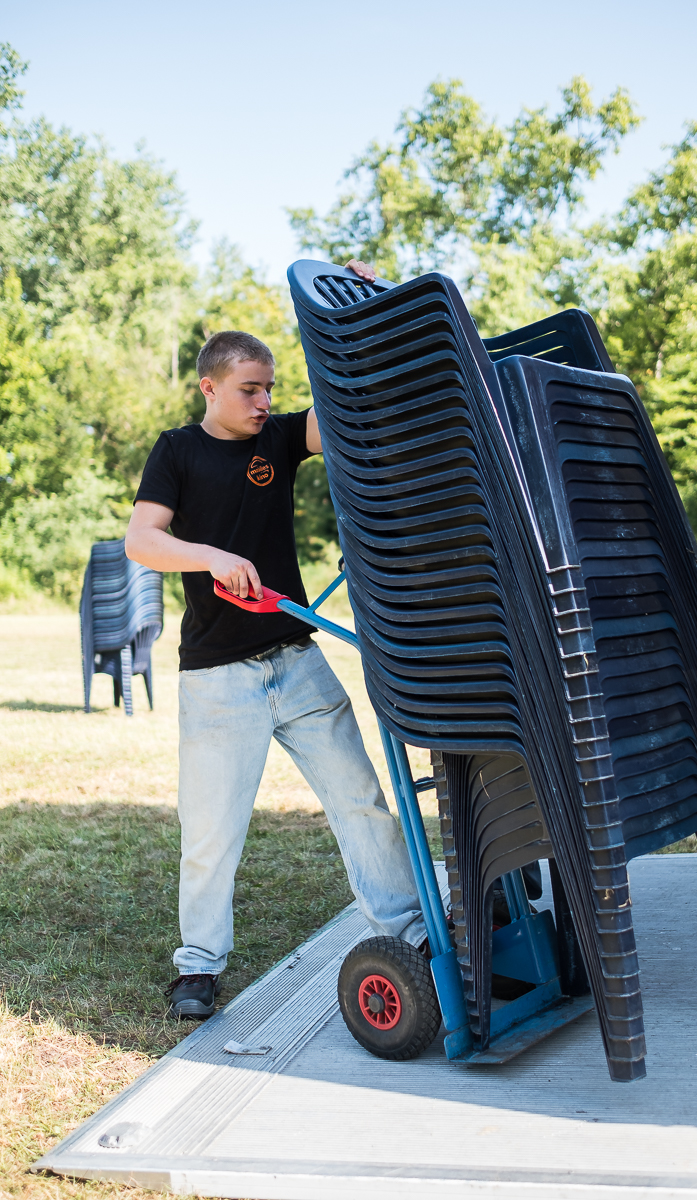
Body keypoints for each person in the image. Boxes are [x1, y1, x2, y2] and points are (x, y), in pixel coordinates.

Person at [125, 260, 425, 1018]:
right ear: (210, 389)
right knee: (211, 833)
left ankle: (412, 934)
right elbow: (141, 540)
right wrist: (211, 556)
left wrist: (370, 312)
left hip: (298, 661)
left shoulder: (283, 438)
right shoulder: (177, 452)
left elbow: (366, 410)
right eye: (249, 389)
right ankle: (197, 967)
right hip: (218, 677)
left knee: (362, 802)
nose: (264, 401)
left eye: (269, 388)